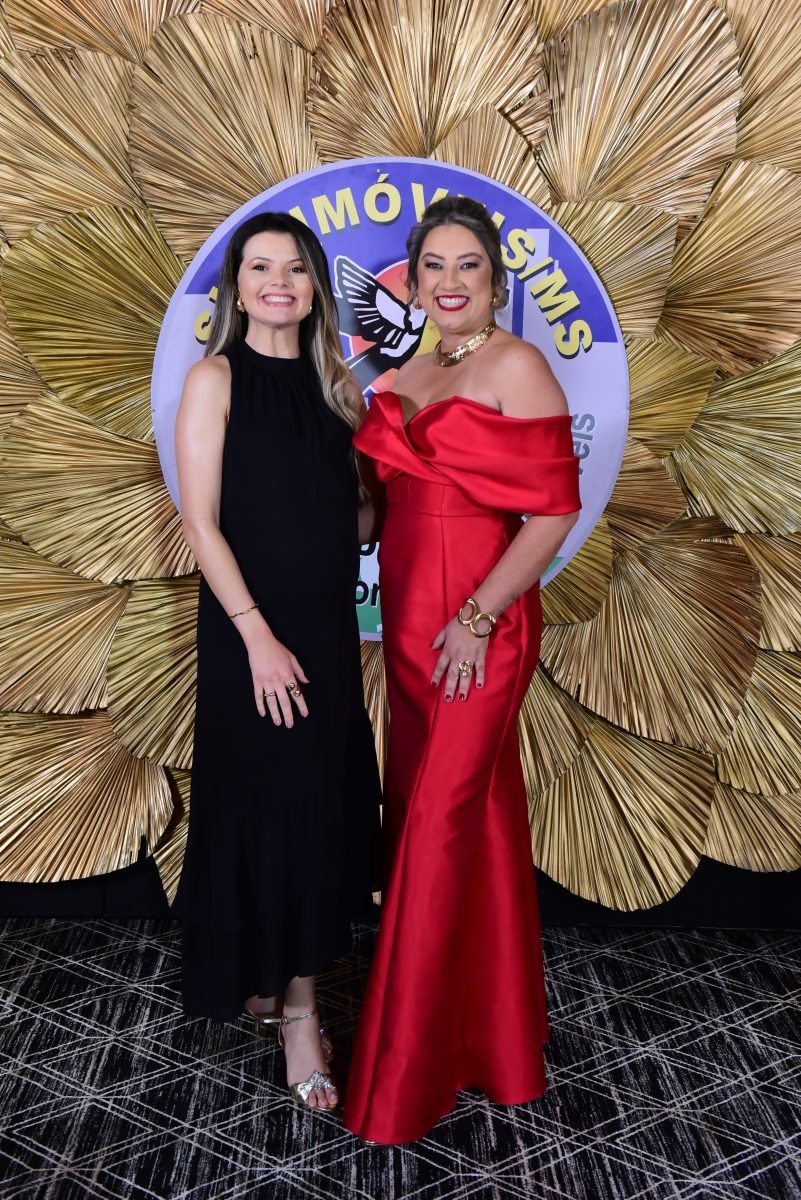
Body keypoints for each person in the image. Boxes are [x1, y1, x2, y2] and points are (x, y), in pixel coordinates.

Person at [343, 196, 581, 1144]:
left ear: (494, 278)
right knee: (464, 822)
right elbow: (377, 515)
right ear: (412, 280)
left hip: (475, 625)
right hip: (408, 627)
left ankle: (402, 1080)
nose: (449, 282)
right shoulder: (406, 369)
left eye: (467, 265)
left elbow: (553, 514)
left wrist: (478, 618)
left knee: (434, 833)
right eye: (432, 266)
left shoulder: (516, 365)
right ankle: (498, 1049)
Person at [173, 211, 381, 1112]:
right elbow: (200, 522)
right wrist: (257, 637)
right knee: (271, 802)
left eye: (294, 268)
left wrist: (397, 490)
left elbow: (354, 518)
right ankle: (299, 1014)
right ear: (237, 286)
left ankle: (282, 982)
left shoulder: (340, 389)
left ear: (314, 287)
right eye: (260, 268)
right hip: (248, 636)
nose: (278, 283)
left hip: (325, 633)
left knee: (314, 805)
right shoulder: (214, 378)